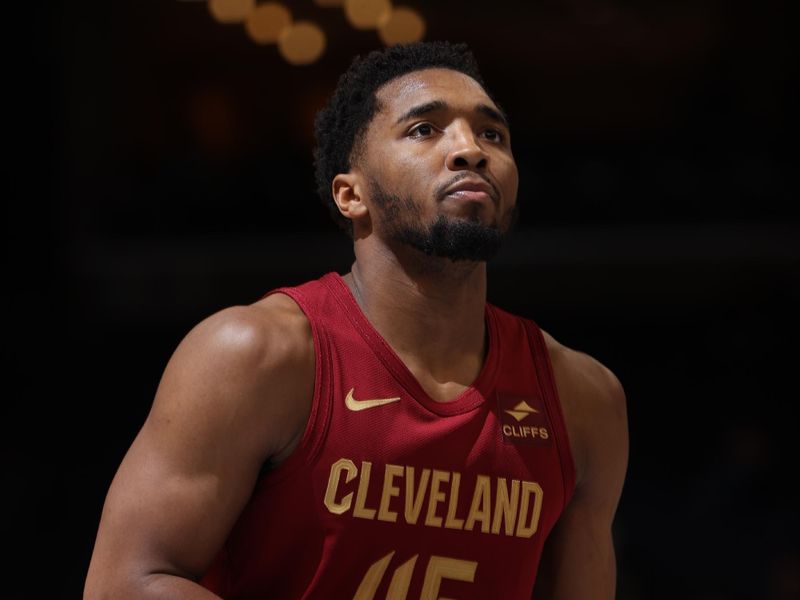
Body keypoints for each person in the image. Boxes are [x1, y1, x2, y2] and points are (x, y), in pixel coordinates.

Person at [85, 41, 628, 599]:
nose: (470, 149)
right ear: (351, 196)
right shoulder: (256, 355)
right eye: (425, 129)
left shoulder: (583, 400)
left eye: (492, 134)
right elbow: (126, 583)